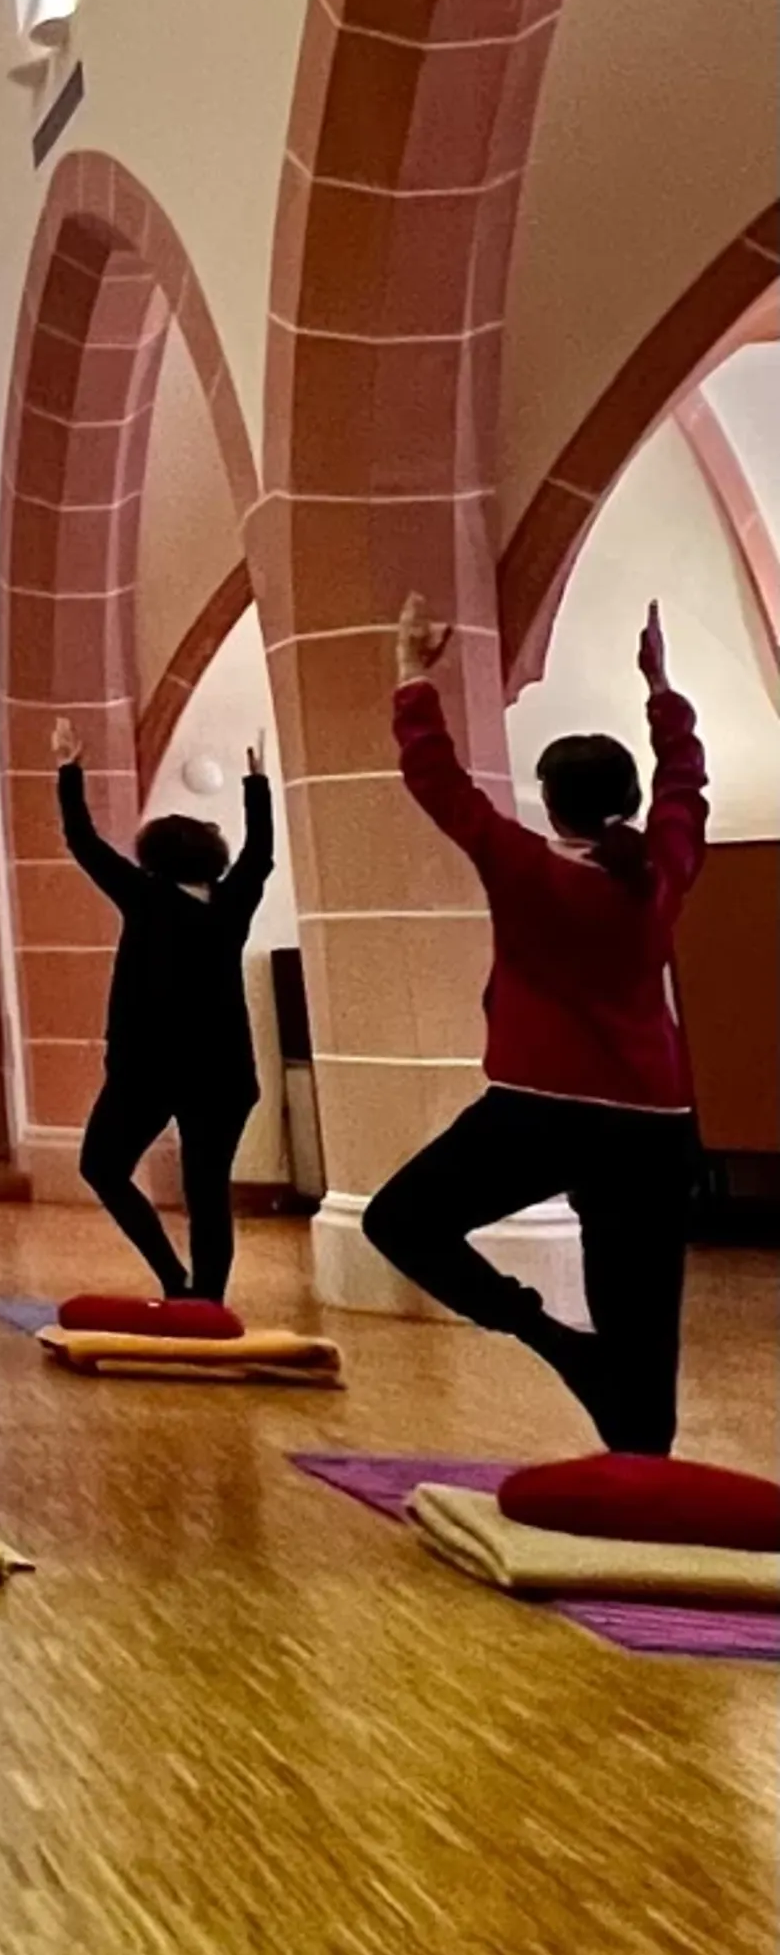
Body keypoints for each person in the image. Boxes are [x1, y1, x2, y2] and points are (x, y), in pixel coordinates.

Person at [361, 596, 706, 1450]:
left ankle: (554, 1341)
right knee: (643, 1329)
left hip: (537, 1113)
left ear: (550, 803)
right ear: (624, 800)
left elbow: (438, 784)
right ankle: (641, 1472)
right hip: (653, 1126)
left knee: (399, 1221)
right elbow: (685, 784)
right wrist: (662, 690)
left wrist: (412, 670)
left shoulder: (522, 866)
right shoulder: (660, 868)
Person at [52, 722, 274, 1303]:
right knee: (208, 1194)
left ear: (154, 861)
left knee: (102, 1167)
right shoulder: (233, 903)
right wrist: (256, 784)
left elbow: (84, 843)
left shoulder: (145, 896)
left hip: (147, 1069)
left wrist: (71, 771)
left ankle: (176, 1281)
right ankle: (207, 1301)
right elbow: (261, 855)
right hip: (222, 1076)